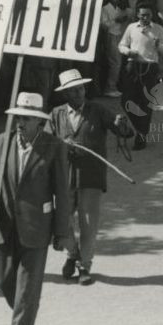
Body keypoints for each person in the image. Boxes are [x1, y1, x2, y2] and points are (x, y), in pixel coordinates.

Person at [0, 93, 70, 325]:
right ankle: (26, 314)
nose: (21, 123)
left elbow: (62, 193)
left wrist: (61, 232)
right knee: (5, 281)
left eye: (27, 119)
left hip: (37, 228)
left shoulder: (53, 147)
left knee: (26, 290)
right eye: (18, 117)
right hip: (5, 225)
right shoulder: (1, 142)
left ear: (39, 123)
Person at [47, 69, 132, 285]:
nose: (78, 93)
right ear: (65, 94)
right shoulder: (56, 115)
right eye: (73, 91)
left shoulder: (98, 110)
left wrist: (122, 123)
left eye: (80, 88)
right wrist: (60, 145)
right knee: (62, 223)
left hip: (91, 176)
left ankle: (85, 266)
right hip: (64, 178)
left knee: (88, 224)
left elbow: (124, 132)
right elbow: (44, 144)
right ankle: (72, 253)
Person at [119, 0, 163, 150]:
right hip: (132, 66)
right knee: (126, 100)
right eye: (142, 16)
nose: (144, 19)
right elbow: (121, 44)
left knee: (145, 103)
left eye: (147, 15)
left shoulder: (158, 29)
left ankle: (141, 135)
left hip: (150, 67)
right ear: (137, 15)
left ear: (152, 15)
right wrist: (128, 52)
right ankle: (138, 128)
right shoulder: (131, 27)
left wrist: (158, 45)